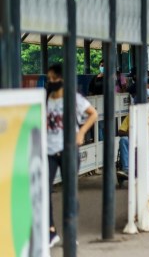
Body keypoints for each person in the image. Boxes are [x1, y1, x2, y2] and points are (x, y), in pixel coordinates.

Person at [46, 63, 98, 248]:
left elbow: (93, 114)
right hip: (49, 151)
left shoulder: (74, 99)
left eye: (54, 79)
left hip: (69, 149)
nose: (51, 82)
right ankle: (50, 231)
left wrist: (81, 132)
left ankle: (70, 232)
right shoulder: (47, 98)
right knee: (44, 191)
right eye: (49, 79)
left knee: (70, 192)